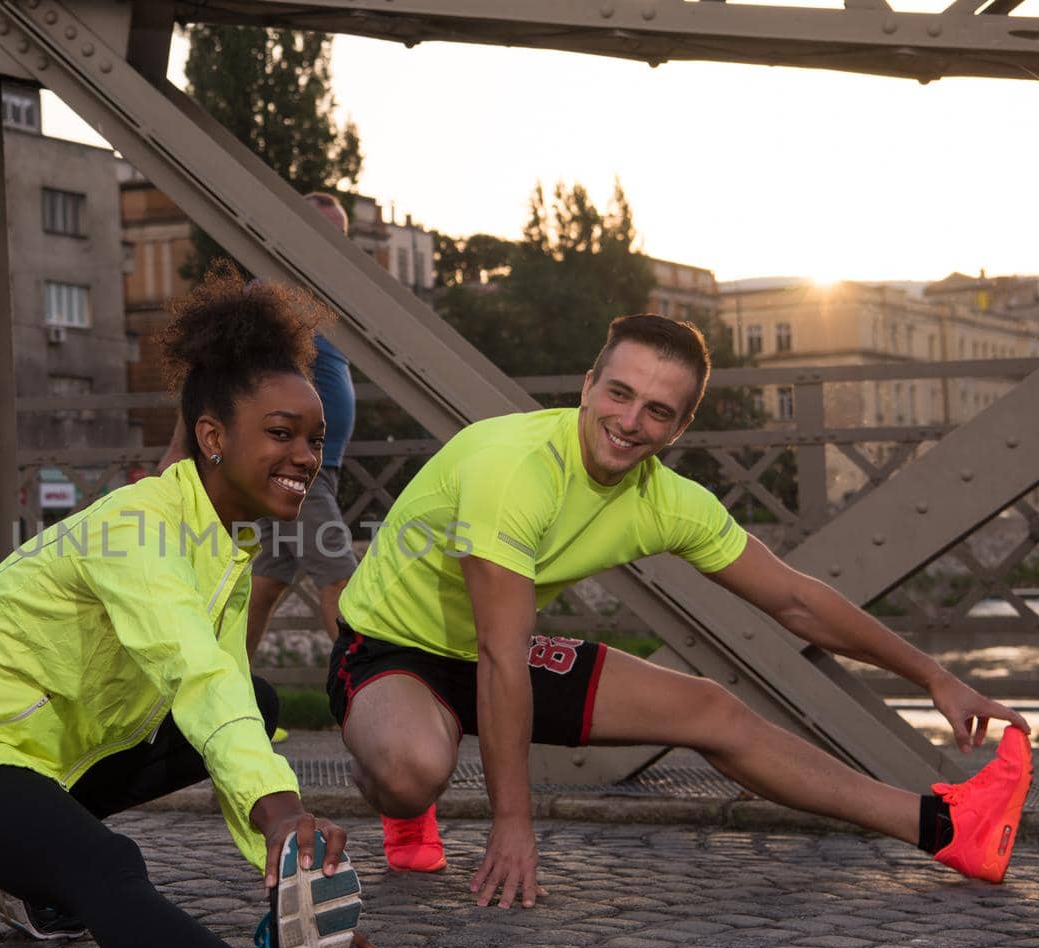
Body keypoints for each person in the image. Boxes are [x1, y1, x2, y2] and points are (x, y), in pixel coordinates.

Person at [332, 313, 1033, 903]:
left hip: (493, 650)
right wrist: (512, 822)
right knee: (413, 768)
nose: (629, 422)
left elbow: (795, 600)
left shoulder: (668, 503)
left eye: (657, 411)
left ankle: (946, 826)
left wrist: (934, 676)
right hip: (390, 647)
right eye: (619, 393)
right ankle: (408, 806)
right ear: (588, 385)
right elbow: (499, 654)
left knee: (711, 708)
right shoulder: (514, 469)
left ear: (679, 427)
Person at [0, 264, 375, 948]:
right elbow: (194, 678)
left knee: (255, 697)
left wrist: (294, 881)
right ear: (214, 437)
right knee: (107, 865)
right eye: (281, 433)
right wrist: (282, 815)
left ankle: (37, 866)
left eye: (315, 438)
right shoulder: (138, 531)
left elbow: (224, 702)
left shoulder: (225, 539)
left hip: (47, 763)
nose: (306, 456)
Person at [160, 193, 362, 743]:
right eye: (319, 231)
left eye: (337, 234)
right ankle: (368, 700)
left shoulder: (329, 292)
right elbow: (217, 371)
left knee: (266, 584)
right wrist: (180, 450)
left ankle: (226, 708)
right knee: (338, 573)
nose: (329, 243)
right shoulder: (271, 292)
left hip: (317, 462)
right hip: (288, 468)